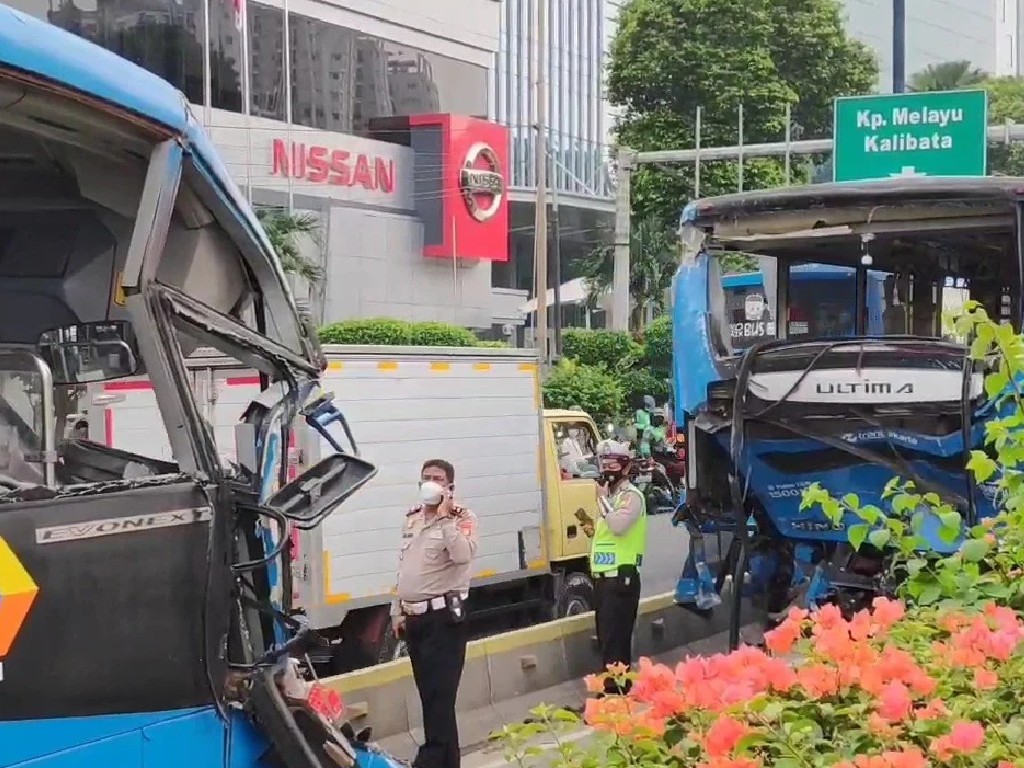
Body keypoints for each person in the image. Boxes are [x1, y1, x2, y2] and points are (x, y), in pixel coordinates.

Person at [390, 459, 479, 768]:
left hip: (444, 620)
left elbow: (463, 556)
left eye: (437, 478)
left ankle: (427, 761)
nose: (430, 482)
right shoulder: (412, 519)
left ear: (449, 486)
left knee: (441, 698)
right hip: (414, 620)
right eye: (426, 477)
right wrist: (396, 611)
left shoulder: (462, 518)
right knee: (430, 697)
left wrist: (445, 520)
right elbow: (405, 569)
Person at [582, 439, 647, 694]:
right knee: (607, 640)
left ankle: (616, 693)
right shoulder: (611, 499)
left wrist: (601, 502)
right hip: (604, 580)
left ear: (625, 467)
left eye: (612, 463)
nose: (606, 469)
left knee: (616, 641)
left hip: (622, 578)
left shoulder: (632, 497)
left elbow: (619, 526)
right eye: (603, 462)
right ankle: (614, 691)